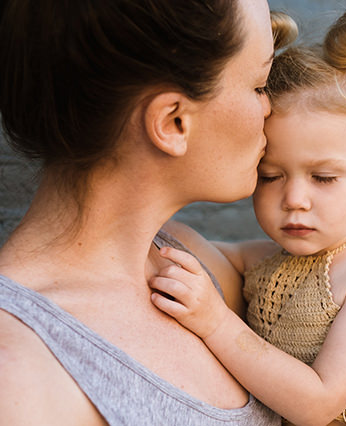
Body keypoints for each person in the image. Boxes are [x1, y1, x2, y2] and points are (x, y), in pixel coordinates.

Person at [0, 1, 298, 424]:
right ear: (173, 122)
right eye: (259, 85)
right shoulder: (19, 374)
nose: (270, 109)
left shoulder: (192, 263)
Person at [149, 3, 346, 425]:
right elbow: (182, 243)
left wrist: (216, 323)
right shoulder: (264, 262)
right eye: (270, 175)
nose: (294, 198)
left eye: (324, 178)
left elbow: (318, 403)